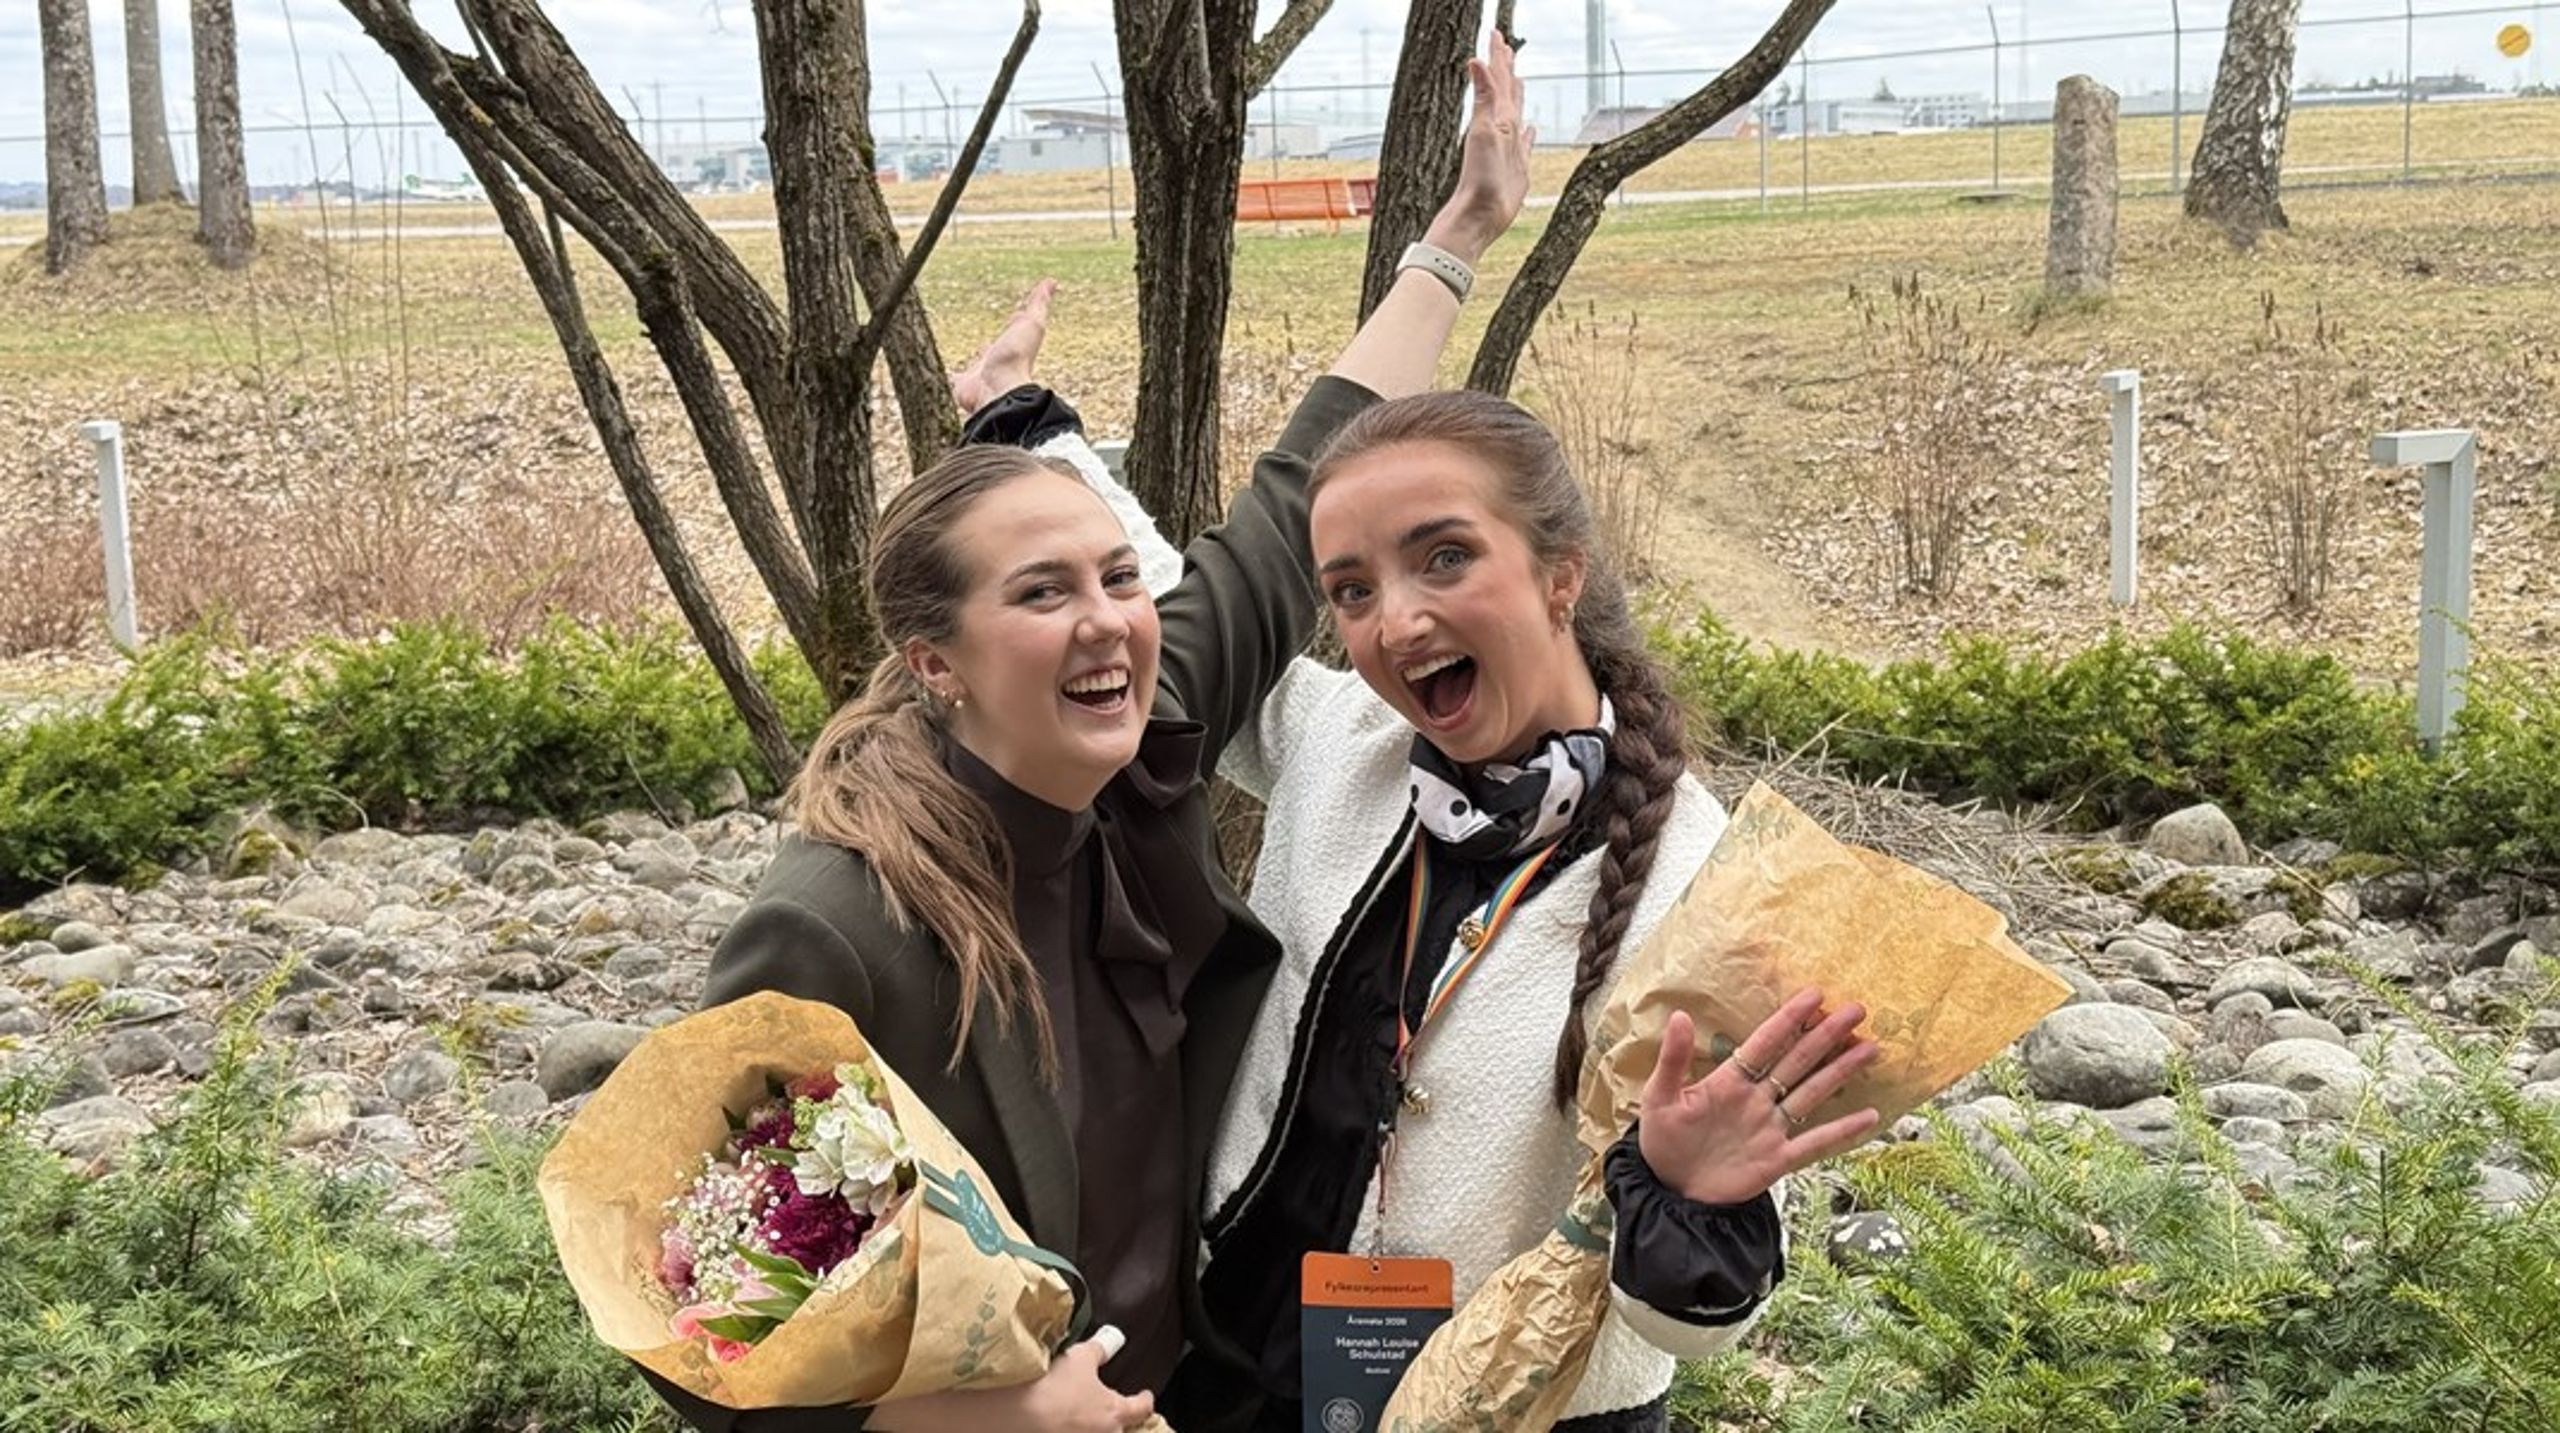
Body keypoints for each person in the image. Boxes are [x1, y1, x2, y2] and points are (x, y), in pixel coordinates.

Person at [644, 33, 1537, 1433]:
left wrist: (1459, 236)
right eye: (1042, 592)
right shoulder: (837, 923)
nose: (1108, 620)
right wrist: (981, 1419)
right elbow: (701, 1324)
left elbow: (1293, 501)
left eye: (1119, 577)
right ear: (934, 662)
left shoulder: (1138, 752)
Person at [1046, 387, 1886, 1428]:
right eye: (1350, 590)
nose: (1395, 621)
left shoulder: (1712, 883)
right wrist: (1035, 433)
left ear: (1561, 572)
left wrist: (1684, 1192)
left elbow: (1686, 1329)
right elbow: (1183, 619)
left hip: (1514, 1401)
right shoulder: (1343, 742)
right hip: (1236, 1352)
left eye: (1444, 556)